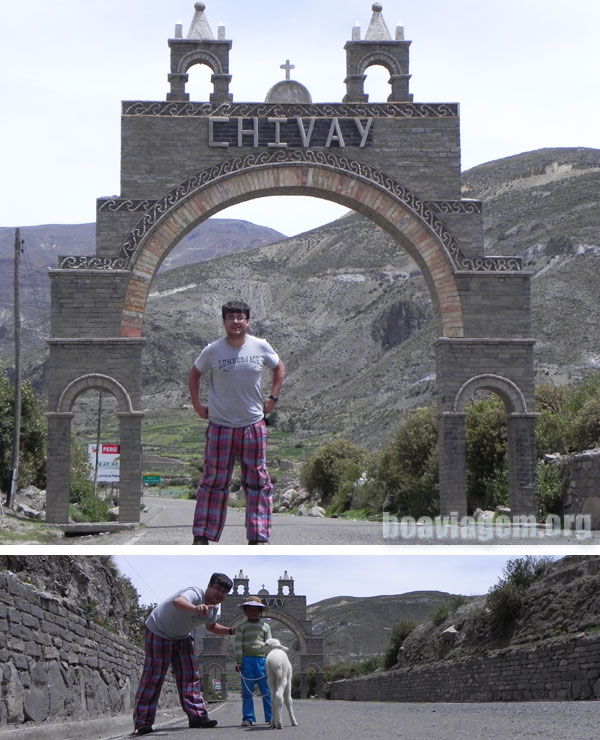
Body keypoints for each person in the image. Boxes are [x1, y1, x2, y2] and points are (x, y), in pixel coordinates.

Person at [188, 300, 285, 545]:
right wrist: (198, 405)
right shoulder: (213, 350)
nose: (236, 322)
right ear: (224, 322)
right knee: (213, 480)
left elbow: (279, 368)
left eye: (240, 317)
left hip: (252, 426)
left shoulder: (260, 346)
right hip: (220, 426)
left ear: (247, 321)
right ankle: (203, 535)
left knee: (258, 482)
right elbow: (194, 373)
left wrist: (273, 397)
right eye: (231, 317)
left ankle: (258, 536)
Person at [133, 572, 234, 736]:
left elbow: (211, 627)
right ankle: (143, 722)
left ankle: (198, 717)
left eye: (224, 592)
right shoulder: (194, 593)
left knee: (190, 677)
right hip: (159, 631)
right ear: (208, 586)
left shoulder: (213, 609)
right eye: (217, 588)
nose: (220, 594)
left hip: (181, 637)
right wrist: (195, 608)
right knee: (154, 677)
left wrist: (230, 631)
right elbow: (178, 601)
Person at [235, 596, 272, 727]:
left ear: (260, 612)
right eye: (250, 610)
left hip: (263, 661)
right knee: (247, 691)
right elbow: (238, 645)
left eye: (256, 610)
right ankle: (248, 718)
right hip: (247, 662)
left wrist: (270, 661)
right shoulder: (241, 627)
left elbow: (269, 644)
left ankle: (271, 717)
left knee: (267, 690)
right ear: (245, 611)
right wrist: (239, 661)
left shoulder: (266, 626)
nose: (253, 613)